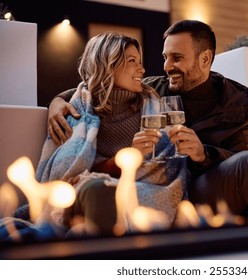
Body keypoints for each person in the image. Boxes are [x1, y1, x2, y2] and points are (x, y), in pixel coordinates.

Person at [47, 20, 248, 220]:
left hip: (204, 188)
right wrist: (57, 101)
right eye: (165, 57)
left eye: (176, 58)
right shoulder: (154, 88)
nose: (167, 66)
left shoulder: (236, 101)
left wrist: (203, 154)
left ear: (205, 58)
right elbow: (101, 84)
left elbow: (242, 157)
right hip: (165, 186)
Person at [13, 32, 189, 238]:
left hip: (147, 188)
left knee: (104, 193)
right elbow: (71, 174)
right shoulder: (80, 110)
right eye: (132, 61)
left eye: (140, 61)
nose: (142, 69)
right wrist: (124, 159)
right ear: (107, 64)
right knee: (97, 190)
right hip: (93, 191)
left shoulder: (152, 104)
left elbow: (166, 164)